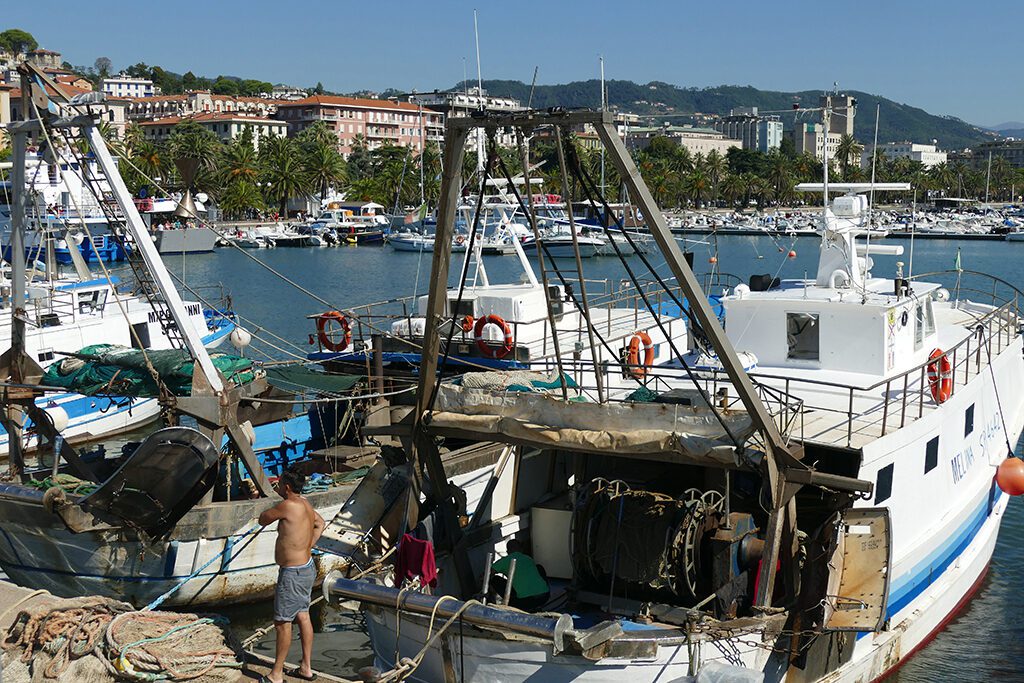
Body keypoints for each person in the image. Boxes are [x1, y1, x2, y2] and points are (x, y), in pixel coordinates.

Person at [258, 469, 325, 683]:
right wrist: (308, 544)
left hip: (293, 573)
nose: (277, 487)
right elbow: (320, 523)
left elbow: (263, 519)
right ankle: (306, 667)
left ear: (287, 487)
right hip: (306, 567)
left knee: (282, 622)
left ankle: (276, 675)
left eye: (279, 484)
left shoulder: (287, 505)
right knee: (303, 615)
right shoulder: (305, 503)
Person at [490, 538, 549, 611]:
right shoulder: (529, 558)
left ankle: (496, 602)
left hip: (524, 602)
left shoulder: (504, 560)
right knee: (539, 567)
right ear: (521, 549)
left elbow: (485, 576)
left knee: (494, 579)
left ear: (508, 552)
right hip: (544, 596)